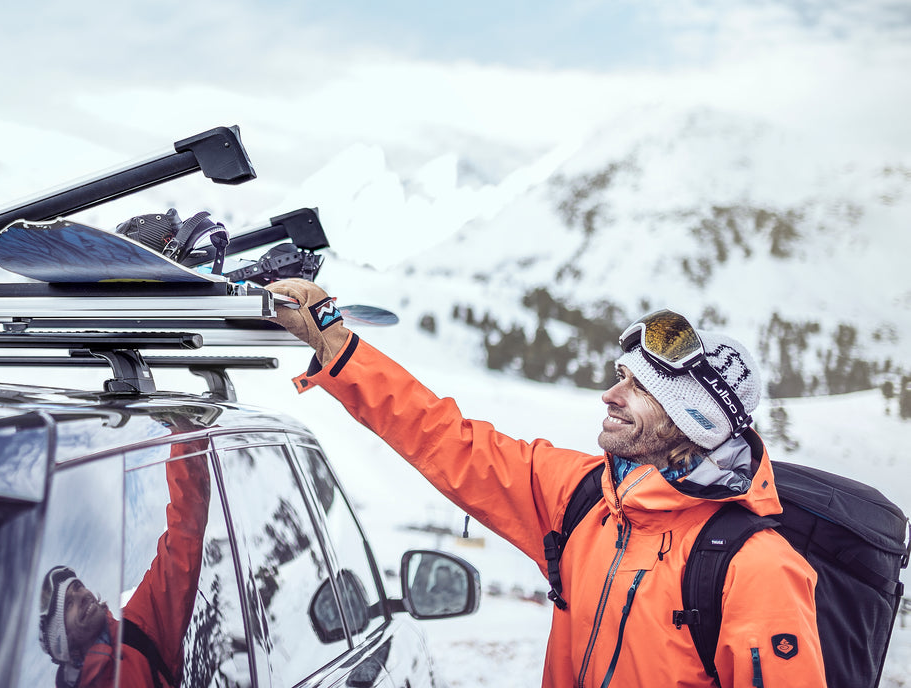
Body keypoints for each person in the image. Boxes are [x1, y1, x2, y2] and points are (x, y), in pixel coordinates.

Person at [267, 280, 826, 688]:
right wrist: (336, 346)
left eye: (641, 388)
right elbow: (445, 438)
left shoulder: (755, 568)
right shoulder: (582, 500)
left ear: (694, 421)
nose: (610, 395)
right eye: (620, 378)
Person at [36, 438, 210, 688]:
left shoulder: (139, 630)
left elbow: (184, 536)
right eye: (68, 604)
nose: (82, 595)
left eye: (77, 588)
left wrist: (185, 438)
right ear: (62, 641)